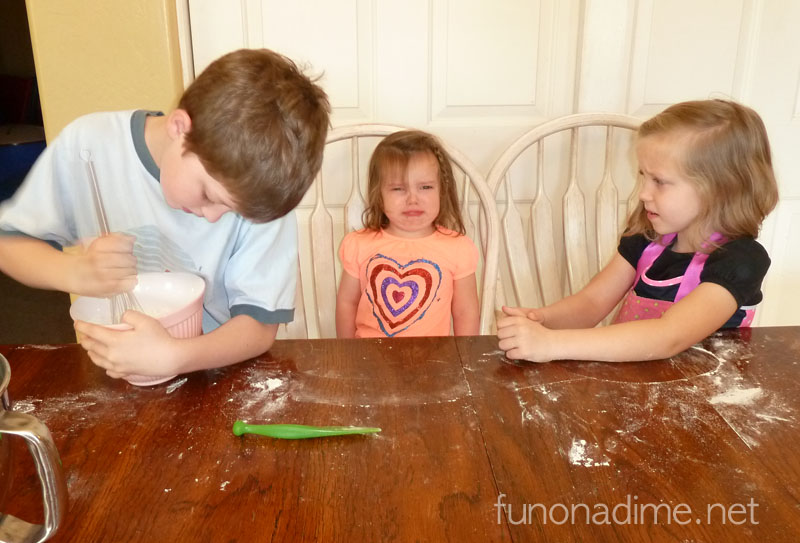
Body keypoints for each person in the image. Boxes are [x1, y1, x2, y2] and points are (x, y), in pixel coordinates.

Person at [0, 48, 330, 380]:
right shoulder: (89, 147)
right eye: (207, 195)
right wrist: (73, 271)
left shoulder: (262, 197)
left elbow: (259, 327)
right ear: (179, 128)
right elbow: (7, 243)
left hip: (218, 375)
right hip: (114, 368)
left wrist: (175, 357)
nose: (214, 218)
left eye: (232, 211)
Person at [497, 99, 779, 362]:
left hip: (705, 402)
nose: (643, 193)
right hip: (631, 392)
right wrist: (541, 321)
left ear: (720, 189)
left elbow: (668, 337)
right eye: (642, 176)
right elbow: (591, 303)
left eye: (660, 181)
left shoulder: (740, 261)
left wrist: (551, 345)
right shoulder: (645, 241)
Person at [336, 130, 480, 338]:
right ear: (379, 194)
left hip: (434, 363)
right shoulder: (358, 244)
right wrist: (347, 354)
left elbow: (465, 312)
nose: (413, 199)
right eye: (398, 189)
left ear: (442, 191)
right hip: (369, 361)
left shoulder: (458, 248)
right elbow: (347, 303)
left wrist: (465, 360)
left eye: (425, 187)